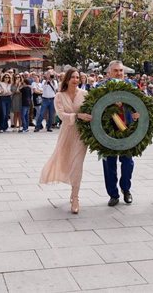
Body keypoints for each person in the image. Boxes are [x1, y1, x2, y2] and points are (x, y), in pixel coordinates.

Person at [39, 68, 92, 214]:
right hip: (67, 133)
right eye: (73, 77)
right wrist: (78, 116)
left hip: (81, 134)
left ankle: (75, 197)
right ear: (67, 79)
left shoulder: (85, 94)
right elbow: (61, 115)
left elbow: (91, 111)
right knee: (65, 161)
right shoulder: (59, 96)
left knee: (77, 164)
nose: (76, 80)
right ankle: (70, 188)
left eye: (78, 77)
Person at [99, 60, 140, 207]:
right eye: (116, 70)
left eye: (121, 71)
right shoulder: (101, 86)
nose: (119, 73)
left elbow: (140, 104)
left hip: (127, 130)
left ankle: (126, 189)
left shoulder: (132, 85)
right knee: (109, 164)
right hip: (107, 131)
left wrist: (138, 114)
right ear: (109, 72)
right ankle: (113, 194)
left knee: (128, 162)